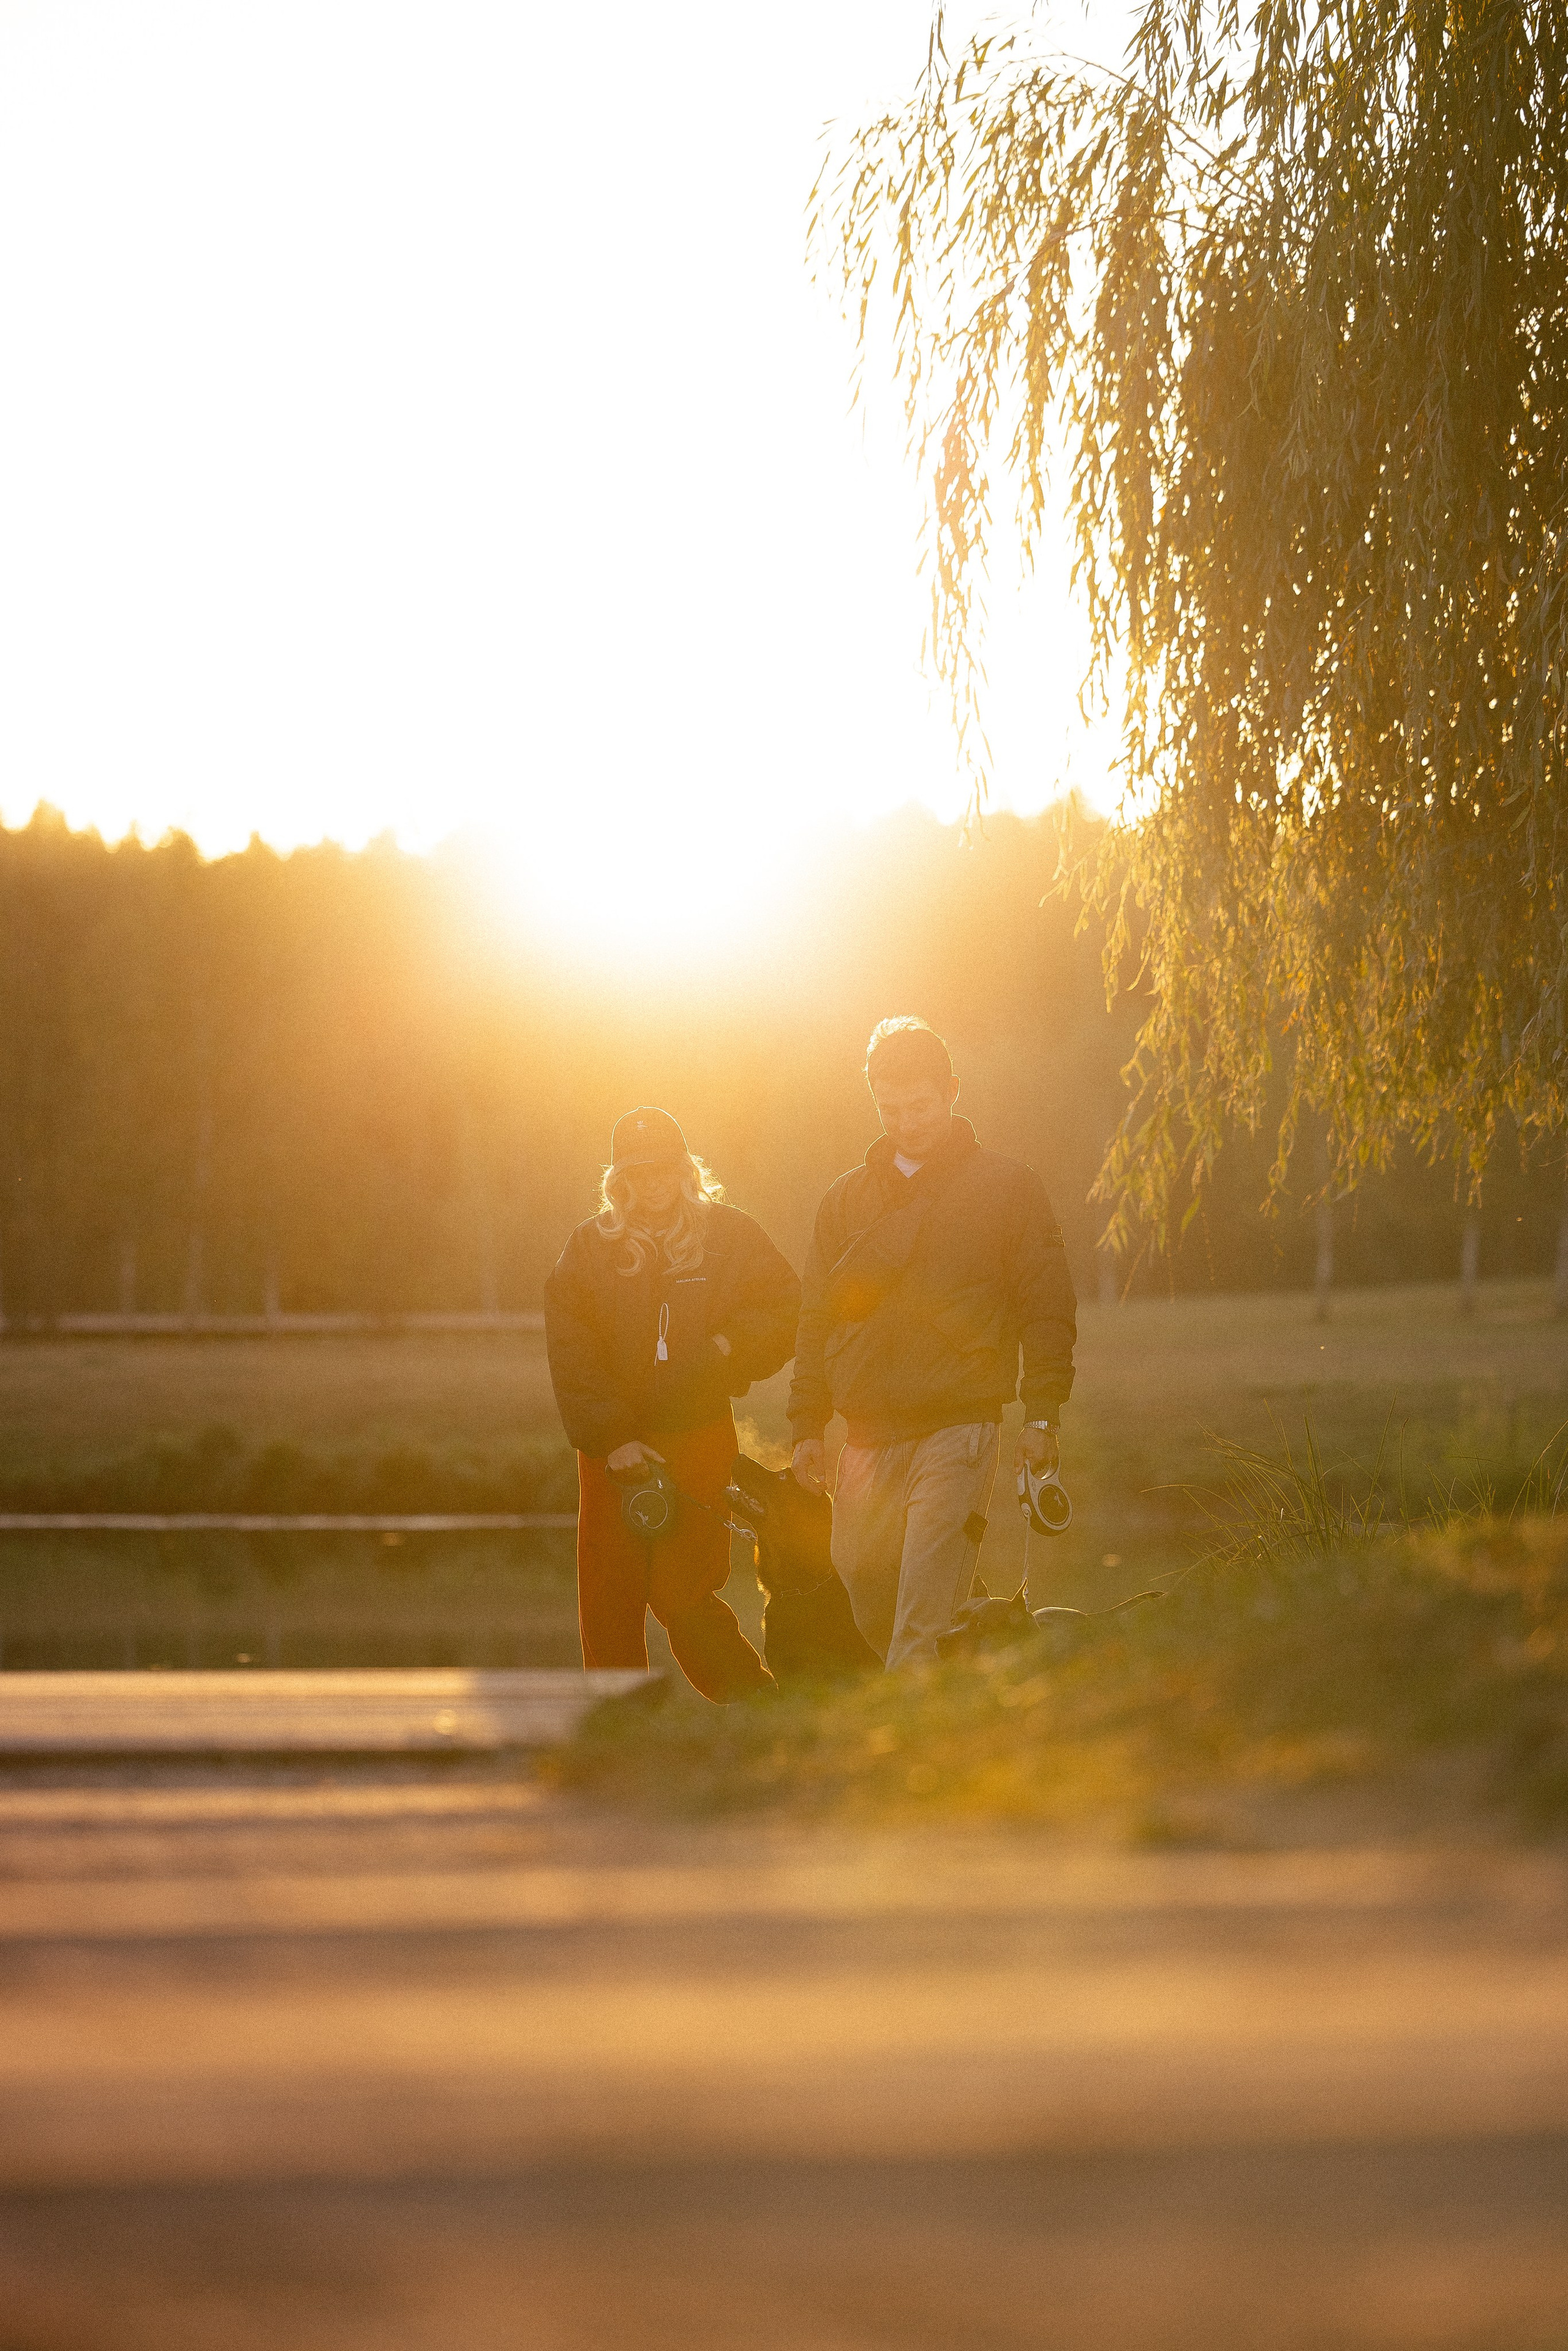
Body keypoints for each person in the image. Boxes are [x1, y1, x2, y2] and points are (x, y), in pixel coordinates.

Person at [789, 1018, 1076, 1668]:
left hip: (959, 1427)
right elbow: (815, 1318)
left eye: (918, 1105)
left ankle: (911, 1749)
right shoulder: (844, 1200)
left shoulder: (1008, 1187)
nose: (906, 1121)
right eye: (890, 1108)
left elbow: (1047, 1306)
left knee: (920, 1614)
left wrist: (1041, 1411)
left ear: (950, 1092)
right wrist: (807, 1423)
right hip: (865, 1438)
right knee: (863, 1584)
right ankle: (973, 1671)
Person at [545, 1106, 800, 1700]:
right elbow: (572, 1351)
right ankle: (621, 1721)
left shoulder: (728, 1235)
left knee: (684, 1592)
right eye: (638, 1173)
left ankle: (755, 1706)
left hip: (698, 1435)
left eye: (664, 1169)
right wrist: (612, 1438)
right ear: (620, 1179)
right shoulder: (588, 1249)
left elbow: (787, 1306)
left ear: (684, 1169)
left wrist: (727, 1345)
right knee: (609, 1599)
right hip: (615, 1450)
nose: (653, 1184)